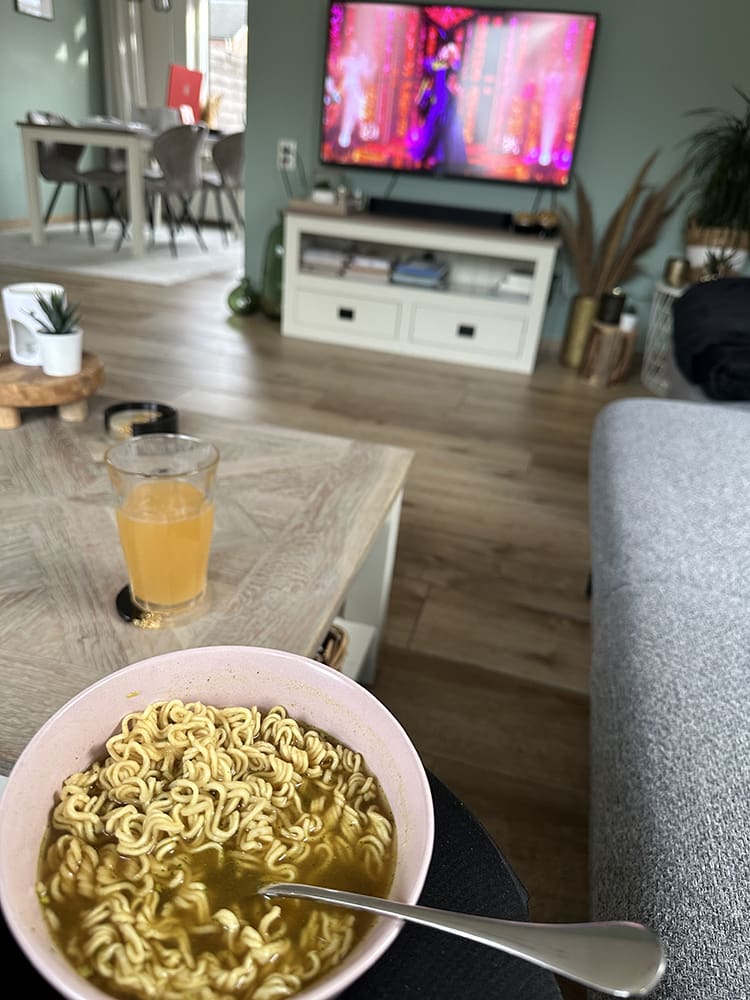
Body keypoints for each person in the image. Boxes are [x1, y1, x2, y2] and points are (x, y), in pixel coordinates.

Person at [413, 42, 467, 172]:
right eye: (447, 52)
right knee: (435, 128)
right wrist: (420, 94)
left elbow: (456, 83)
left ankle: (448, 158)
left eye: (451, 53)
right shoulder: (438, 64)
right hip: (439, 102)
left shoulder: (456, 67)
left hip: (449, 103)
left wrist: (457, 89)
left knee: (450, 130)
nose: (449, 55)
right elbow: (427, 73)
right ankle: (433, 156)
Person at [335, 40, 373, 149]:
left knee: (356, 112)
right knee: (349, 114)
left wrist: (371, 66)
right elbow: (338, 69)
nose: (353, 49)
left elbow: (367, 73)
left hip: (356, 91)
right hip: (348, 89)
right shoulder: (345, 60)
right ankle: (345, 135)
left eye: (355, 47)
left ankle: (351, 135)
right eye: (351, 47)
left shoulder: (359, 62)